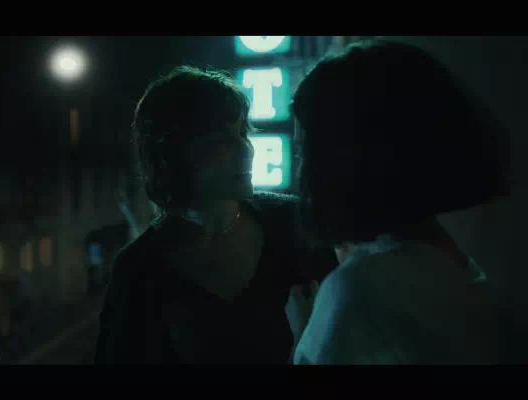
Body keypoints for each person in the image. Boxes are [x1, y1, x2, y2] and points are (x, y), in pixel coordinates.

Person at [94, 66, 337, 364]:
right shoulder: (138, 269)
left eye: (243, 133)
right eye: (220, 140)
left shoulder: (290, 223)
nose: (246, 151)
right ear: (173, 154)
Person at [290, 39, 512, 364]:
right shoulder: (457, 267)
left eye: (303, 149)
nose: (302, 170)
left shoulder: (359, 292)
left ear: (346, 158)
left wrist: (312, 332)